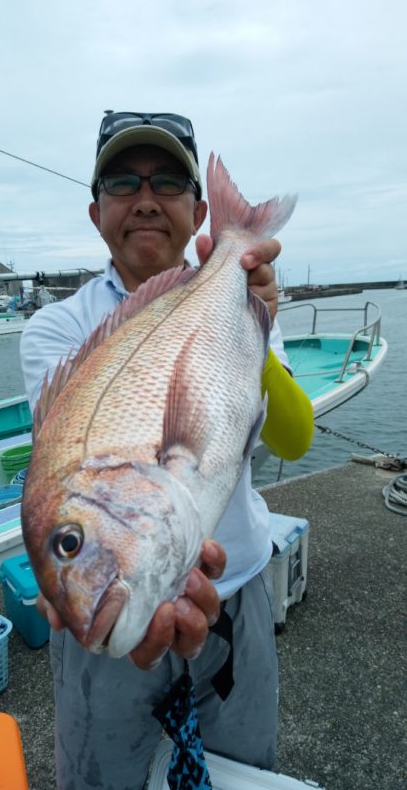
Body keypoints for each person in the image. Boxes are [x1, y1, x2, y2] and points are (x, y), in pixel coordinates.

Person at [20, 110, 313, 790]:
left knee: (246, 770)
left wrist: (256, 316)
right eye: (123, 182)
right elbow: (57, 473)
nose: (146, 199)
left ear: (199, 210)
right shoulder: (54, 328)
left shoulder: (237, 295)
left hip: (235, 595)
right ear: (96, 213)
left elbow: (294, 438)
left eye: (169, 182)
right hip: (107, 630)